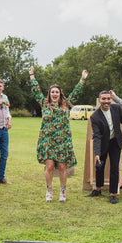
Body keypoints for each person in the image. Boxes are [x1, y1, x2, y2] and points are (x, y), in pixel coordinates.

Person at [29, 66, 88, 203]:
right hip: (48, 141)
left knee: (62, 166)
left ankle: (63, 190)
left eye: (57, 92)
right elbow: (36, 91)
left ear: (60, 94)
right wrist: (32, 75)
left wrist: (82, 79)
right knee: (49, 166)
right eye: (52, 92)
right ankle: (49, 190)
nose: (54, 94)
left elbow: (76, 93)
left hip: (62, 141)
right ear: (49, 94)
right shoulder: (44, 104)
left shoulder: (65, 105)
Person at [89, 91, 122, 204]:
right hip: (103, 143)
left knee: (114, 168)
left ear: (111, 100)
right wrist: (97, 153)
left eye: (108, 99)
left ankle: (112, 194)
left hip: (115, 142)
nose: (106, 101)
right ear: (99, 100)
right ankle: (98, 189)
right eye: (103, 99)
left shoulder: (117, 108)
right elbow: (97, 136)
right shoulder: (95, 116)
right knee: (99, 166)